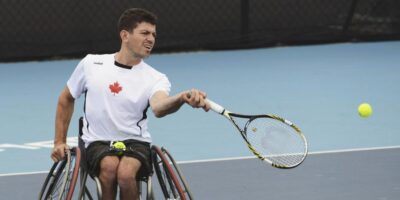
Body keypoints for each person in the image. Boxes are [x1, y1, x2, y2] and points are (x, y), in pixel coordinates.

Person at [51, 8, 209, 200]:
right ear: (125, 35)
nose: (150, 39)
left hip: (136, 142)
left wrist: (181, 98)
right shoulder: (91, 64)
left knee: (126, 174)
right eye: (144, 33)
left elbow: (158, 107)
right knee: (109, 167)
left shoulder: (156, 78)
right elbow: (66, 98)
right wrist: (59, 142)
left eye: (153, 35)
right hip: (96, 141)